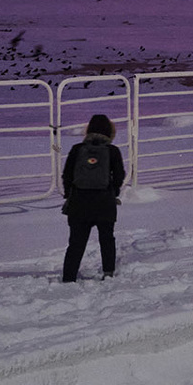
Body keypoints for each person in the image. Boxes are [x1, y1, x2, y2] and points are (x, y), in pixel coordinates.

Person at [61, 114, 127, 282]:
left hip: (79, 203)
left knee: (76, 242)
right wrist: (114, 192)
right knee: (107, 238)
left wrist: (70, 195)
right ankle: (108, 273)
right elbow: (119, 175)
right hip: (104, 202)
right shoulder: (112, 151)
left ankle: (69, 277)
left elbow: (67, 175)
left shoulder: (77, 149)